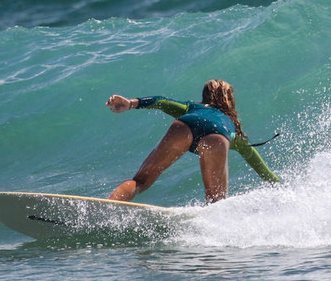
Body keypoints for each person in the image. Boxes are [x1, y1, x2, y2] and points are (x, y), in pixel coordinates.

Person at [105, 79, 280, 204]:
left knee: (141, 181)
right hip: (218, 137)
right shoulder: (235, 130)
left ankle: (108, 206)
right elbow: (262, 169)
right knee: (216, 203)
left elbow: (162, 101)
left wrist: (131, 103)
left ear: (205, 96)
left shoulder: (192, 107)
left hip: (186, 125)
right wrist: (283, 189)